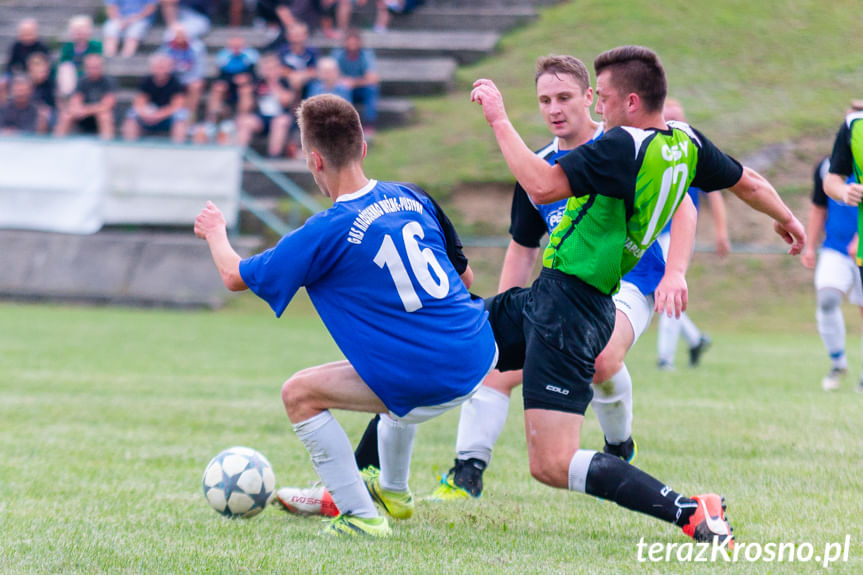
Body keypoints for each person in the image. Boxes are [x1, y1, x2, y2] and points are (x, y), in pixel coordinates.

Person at [277, 53, 697, 511]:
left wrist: (675, 270)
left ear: (591, 98)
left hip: (632, 282)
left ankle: (620, 447)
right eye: (544, 100)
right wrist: (494, 314)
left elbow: (682, 204)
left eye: (564, 97)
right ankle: (458, 472)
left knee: (600, 360)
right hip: (567, 295)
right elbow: (523, 247)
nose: (554, 109)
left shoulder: (625, 145)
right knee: (462, 359)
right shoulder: (535, 166)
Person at [462, 45, 804, 546]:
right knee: (447, 342)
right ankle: (377, 468)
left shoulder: (622, 145)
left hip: (569, 307)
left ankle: (689, 508)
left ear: (632, 101)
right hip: (566, 299)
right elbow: (747, 181)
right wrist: (786, 218)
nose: (596, 107)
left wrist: (498, 119)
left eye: (601, 97)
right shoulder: (685, 142)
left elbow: (539, 186)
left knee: (551, 463)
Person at [194, 94, 498, 537]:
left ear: (314, 160)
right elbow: (465, 278)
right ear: (364, 147)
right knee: (389, 362)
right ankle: (393, 491)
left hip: (431, 380)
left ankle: (360, 516)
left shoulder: (324, 231)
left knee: (299, 393)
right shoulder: (413, 196)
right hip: (479, 350)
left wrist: (216, 231)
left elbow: (233, 276)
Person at [655, 98, 731, 370]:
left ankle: (665, 359)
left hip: (677, 233)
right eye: (669, 116)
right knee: (657, 292)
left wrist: (721, 232)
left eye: (678, 117)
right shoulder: (652, 147)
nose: (674, 121)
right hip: (648, 234)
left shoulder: (693, 150)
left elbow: (716, 194)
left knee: (668, 289)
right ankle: (696, 339)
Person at [814, 102, 863, 390]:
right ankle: (838, 363)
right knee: (828, 300)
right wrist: (844, 191)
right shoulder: (852, 128)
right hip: (840, 248)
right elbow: (828, 187)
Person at [234, 53, 296, 156]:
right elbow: (244, 109)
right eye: (267, 68)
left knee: (280, 122)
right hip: (261, 118)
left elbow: (286, 101)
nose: (270, 71)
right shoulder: (256, 83)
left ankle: (273, 156)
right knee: (244, 121)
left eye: (272, 68)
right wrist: (245, 94)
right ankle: (239, 155)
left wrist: (273, 84)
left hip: (280, 116)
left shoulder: (285, 82)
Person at [122, 53, 188, 143]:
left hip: (167, 116)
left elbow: (177, 105)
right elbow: (139, 102)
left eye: (163, 67)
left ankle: (178, 146)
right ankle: (130, 144)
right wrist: (145, 114)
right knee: (132, 115)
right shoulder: (146, 81)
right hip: (148, 114)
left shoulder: (175, 82)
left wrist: (158, 115)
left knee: (180, 116)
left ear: (169, 68)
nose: (160, 70)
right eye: (157, 67)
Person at [54, 53, 117, 140]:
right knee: (66, 115)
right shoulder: (82, 81)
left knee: (105, 116)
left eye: (96, 67)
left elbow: (107, 105)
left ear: (102, 67)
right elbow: (75, 101)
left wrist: (86, 110)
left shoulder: (108, 82)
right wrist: (78, 109)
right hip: (84, 116)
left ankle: (107, 144)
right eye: (90, 67)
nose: (93, 70)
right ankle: (57, 142)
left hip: (96, 115)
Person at [331, 29, 379, 134]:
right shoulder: (338, 54)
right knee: (343, 89)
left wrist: (354, 82)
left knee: (372, 89)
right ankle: (347, 122)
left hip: (361, 88)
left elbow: (373, 78)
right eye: (350, 42)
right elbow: (332, 75)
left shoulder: (366, 54)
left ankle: (369, 122)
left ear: (360, 43)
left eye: (355, 42)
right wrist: (344, 82)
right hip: (343, 88)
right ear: (344, 43)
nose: (352, 45)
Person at [159, 23, 206, 123]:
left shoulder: (196, 48)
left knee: (195, 86)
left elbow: (198, 69)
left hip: (188, 78)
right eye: (177, 34)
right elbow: (161, 65)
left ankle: (189, 118)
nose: (180, 37)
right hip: (170, 77)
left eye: (182, 34)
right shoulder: (166, 48)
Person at [57, 15, 103, 98]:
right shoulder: (67, 47)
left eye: (82, 30)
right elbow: (62, 64)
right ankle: (68, 98)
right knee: (65, 68)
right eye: (76, 31)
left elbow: (96, 63)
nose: (79, 33)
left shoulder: (96, 46)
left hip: (90, 76)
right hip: (71, 78)